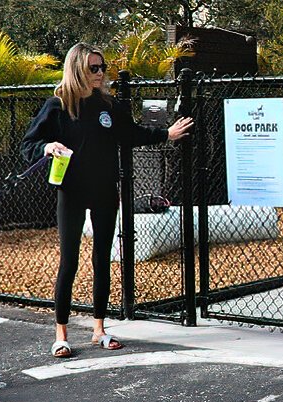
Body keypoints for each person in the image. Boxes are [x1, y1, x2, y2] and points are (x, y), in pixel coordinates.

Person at [19, 43, 193, 358]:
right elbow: (29, 143)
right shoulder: (58, 105)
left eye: (102, 68)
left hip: (103, 191)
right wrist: (47, 147)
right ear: (77, 69)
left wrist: (166, 134)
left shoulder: (107, 106)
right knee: (69, 261)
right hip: (71, 191)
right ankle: (61, 334)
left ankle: (100, 329)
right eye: (93, 68)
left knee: (102, 259)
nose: (100, 74)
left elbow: (131, 134)